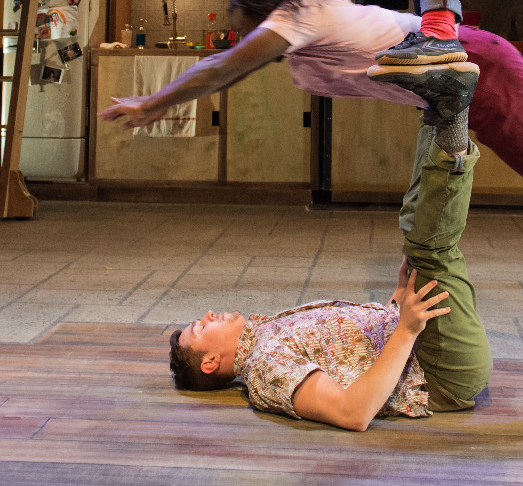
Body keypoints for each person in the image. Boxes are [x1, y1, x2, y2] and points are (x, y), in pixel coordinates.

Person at [99, 0, 523, 356]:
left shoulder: (299, 14)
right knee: (522, 190)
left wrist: (153, 103)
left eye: (241, 23)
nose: (241, 35)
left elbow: (224, 67)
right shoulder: (302, 38)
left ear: (263, 10)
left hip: (476, 66)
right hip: (449, 89)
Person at [165, 124, 491, 430]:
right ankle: (452, 116)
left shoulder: (265, 334)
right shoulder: (267, 368)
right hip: (437, 371)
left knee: (414, 222)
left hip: (419, 341)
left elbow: (354, 354)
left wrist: (396, 299)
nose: (209, 315)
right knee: (430, 248)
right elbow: (352, 413)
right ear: (210, 362)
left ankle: (435, 111)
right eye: (201, 327)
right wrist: (405, 331)